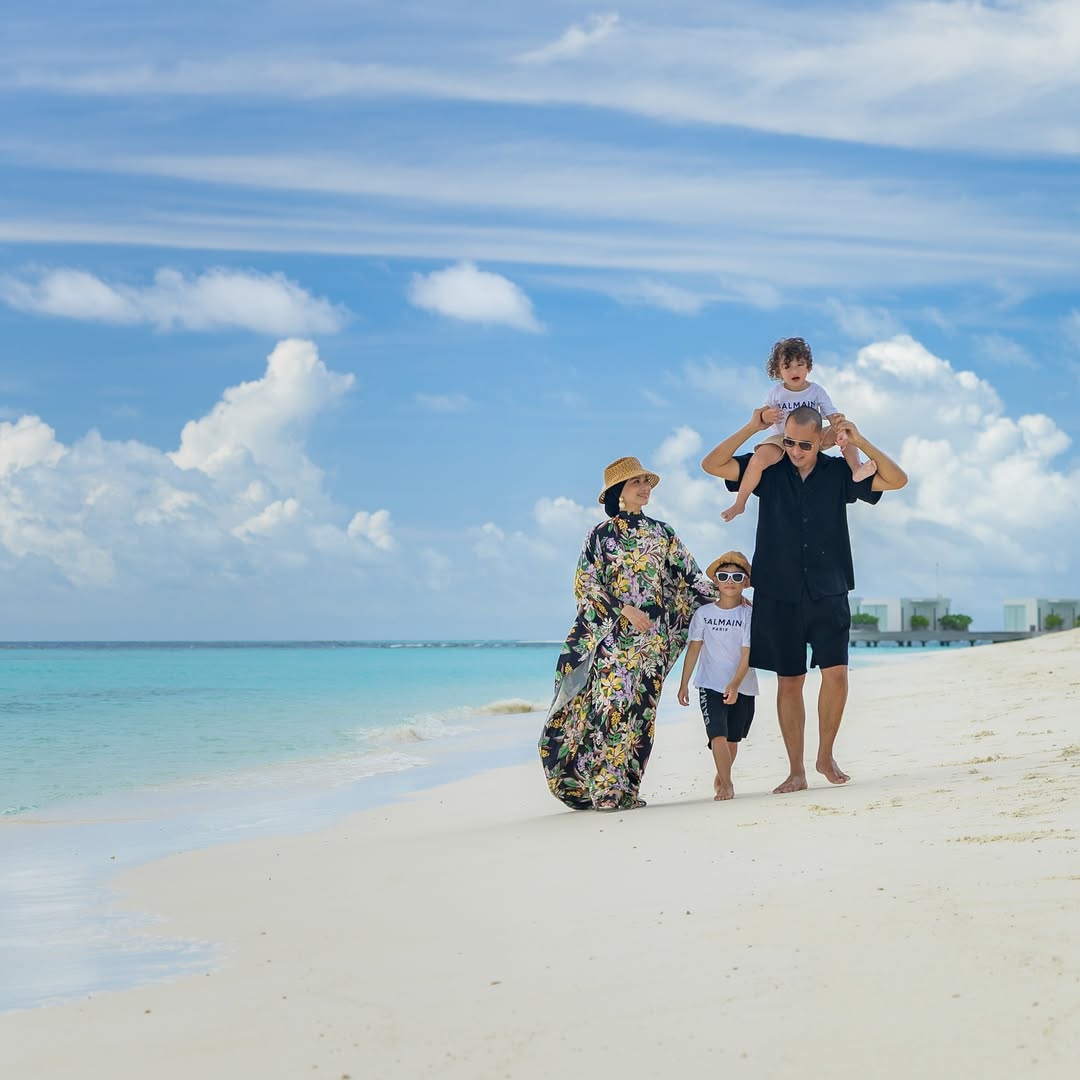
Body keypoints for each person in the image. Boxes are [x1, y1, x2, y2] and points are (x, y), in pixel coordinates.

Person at [701, 402, 907, 793]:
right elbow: (712, 464)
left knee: (837, 675)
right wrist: (751, 428)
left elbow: (897, 480)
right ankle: (796, 771)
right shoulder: (767, 469)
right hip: (778, 594)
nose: (796, 451)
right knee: (790, 681)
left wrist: (860, 441)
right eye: (790, 443)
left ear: (821, 441)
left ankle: (825, 756)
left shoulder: (839, 472)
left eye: (805, 445)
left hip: (829, 589)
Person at [539, 456, 718, 812]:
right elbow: (586, 584)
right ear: (618, 491)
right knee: (610, 710)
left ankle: (627, 792)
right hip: (612, 640)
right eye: (636, 482)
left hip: (652, 644)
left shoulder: (663, 533)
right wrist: (625, 609)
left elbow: (692, 577)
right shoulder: (600, 536)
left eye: (646, 482)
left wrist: (730, 596)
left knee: (641, 715)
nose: (644, 488)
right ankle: (604, 791)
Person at [721, 337, 875, 523]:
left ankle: (856, 468)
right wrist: (767, 416)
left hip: (814, 437)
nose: (794, 371)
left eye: (799, 365)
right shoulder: (776, 393)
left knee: (847, 430)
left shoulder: (816, 391)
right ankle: (740, 503)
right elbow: (763, 413)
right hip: (782, 438)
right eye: (787, 367)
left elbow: (831, 413)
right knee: (757, 460)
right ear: (778, 371)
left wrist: (839, 428)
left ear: (808, 367)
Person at [677, 550, 758, 801]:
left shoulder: (749, 615)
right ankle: (727, 784)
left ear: (746, 582)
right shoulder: (703, 614)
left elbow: (747, 653)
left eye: (737, 577)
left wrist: (735, 684)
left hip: (743, 685)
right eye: (724, 576)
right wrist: (684, 683)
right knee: (717, 735)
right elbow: (694, 649)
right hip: (710, 684)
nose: (730, 581)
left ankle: (721, 776)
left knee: (733, 738)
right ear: (716, 581)